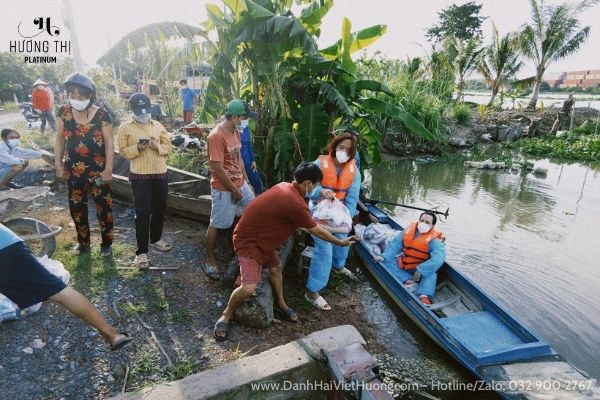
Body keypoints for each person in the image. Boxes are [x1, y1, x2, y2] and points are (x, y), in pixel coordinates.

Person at [213, 162, 356, 341]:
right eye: (317, 185)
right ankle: (226, 314)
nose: (317, 189)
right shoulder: (294, 202)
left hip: (263, 239)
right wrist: (340, 242)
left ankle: (281, 303)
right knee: (249, 288)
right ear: (308, 184)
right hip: (249, 241)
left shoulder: (285, 186)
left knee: (275, 268)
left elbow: (304, 224)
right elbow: (315, 230)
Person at [0, 223, 132, 351]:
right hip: (6, 245)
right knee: (58, 291)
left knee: (58, 291)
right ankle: (112, 335)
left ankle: (112, 335)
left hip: (4, 247)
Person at [54, 73, 115, 257]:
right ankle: (83, 242)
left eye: (81, 96)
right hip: (73, 170)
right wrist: (58, 164)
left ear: (90, 96)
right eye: (73, 96)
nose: (77, 100)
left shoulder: (102, 115)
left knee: (104, 207)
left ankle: (106, 244)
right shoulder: (64, 113)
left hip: (98, 171)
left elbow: (110, 143)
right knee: (77, 207)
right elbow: (59, 141)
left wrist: (109, 168)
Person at [305, 132, 361, 311]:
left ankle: (338, 267)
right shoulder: (319, 164)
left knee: (343, 236)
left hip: (340, 212)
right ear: (334, 146)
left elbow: (352, 200)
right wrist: (320, 192)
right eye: (341, 147)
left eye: (348, 150)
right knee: (325, 248)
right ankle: (312, 292)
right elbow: (307, 188)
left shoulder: (354, 171)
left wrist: (345, 219)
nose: (344, 152)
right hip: (318, 211)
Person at [117, 93, 173, 268]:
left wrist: (158, 147)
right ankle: (141, 252)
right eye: (139, 112)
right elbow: (123, 151)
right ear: (132, 111)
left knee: (159, 210)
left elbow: (169, 147)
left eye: (145, 111)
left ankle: (156, 239)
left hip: (160, 174)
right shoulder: (125, 127)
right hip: (140, 176)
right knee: (142, 213)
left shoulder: (157, 125)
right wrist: (137, 148)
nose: (143, 115)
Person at [202, 99, 255, 280]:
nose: (245, 121)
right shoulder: (216, 136)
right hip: (223, 188)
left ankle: (239, 247)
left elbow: (238, 159)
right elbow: (217, 167)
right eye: (243, 117)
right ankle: (209, 258)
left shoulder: (235, 132)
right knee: (218, 223)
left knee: (251, 211)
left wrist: (246, 182)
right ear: (234, 117)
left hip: (240, 183)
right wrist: (233, 190)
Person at [374, 211, 445, 306]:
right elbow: (395, 245)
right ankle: (407, 280)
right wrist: (383, 256)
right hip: (406, 265)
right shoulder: (407, 232)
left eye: (427, 222)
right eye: (422, 220)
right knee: (387, 260)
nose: (423, 223)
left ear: (432, 226)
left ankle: (424, 295)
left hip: (420, 271)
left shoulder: (434, 241)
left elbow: (439, 258)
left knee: (432, 273)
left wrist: (421, 270)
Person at [239, 101, 263, 194]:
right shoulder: (232, 131)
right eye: (246, 117)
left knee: (257, 183)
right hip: (238, 165)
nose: (247, 119)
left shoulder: (245, 127)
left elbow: (248, 143)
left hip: (248, 162)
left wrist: (253, 160)